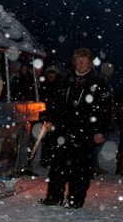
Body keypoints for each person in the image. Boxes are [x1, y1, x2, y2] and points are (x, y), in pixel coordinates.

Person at [40, 47, 113, 208]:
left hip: (86, 132)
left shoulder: (99, 84)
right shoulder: (65, 80)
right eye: (78, 60)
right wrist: (51, 119)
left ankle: (75, 199)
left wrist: (100, 130)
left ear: (90, 63)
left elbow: (105, 110)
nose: (81, 63)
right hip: (63, 131)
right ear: (74, 62)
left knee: (81, 168)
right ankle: (54, 196)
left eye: (84, 60)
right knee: (58, 165)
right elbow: (55, 103)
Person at [38, 65, 65, 167]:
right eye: (49, 73)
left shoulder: (60, 86)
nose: (50, 75)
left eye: (53, 73)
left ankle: (53, 159)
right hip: (46, 115)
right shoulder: (44, 86)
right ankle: (45, 159)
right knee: (46, 139)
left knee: (55, 138)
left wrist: (56, 116)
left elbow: (60, 103)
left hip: (56, 116)